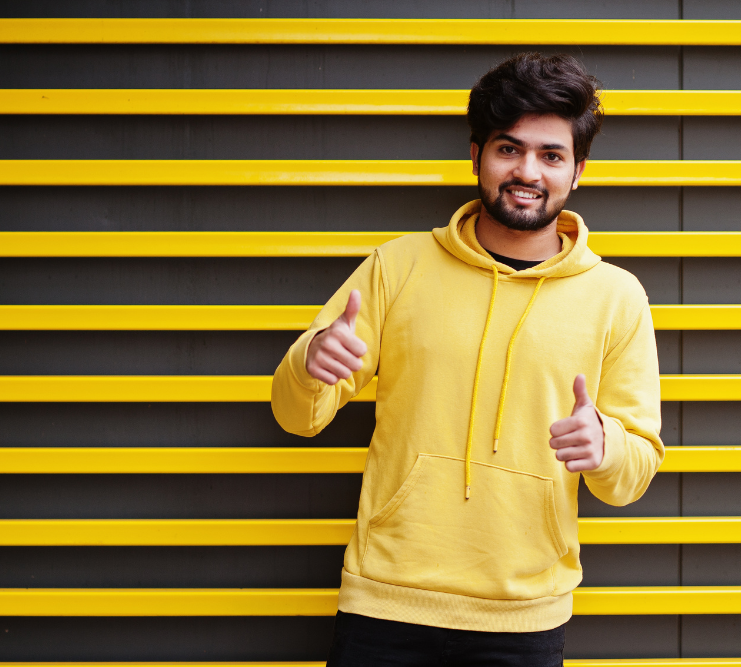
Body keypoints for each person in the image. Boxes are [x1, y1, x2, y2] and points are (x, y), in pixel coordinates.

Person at [271, 52, 664, 666]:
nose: (527, 171)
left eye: (550, 155)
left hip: (526, 618)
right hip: (384, 605)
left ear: (577, 171)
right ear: (476, 155)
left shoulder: (617, 296)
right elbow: (297, 417)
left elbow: (635, 472)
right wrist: (310, 363)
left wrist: (607, 445)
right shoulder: (397, 267)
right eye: (508, 149)